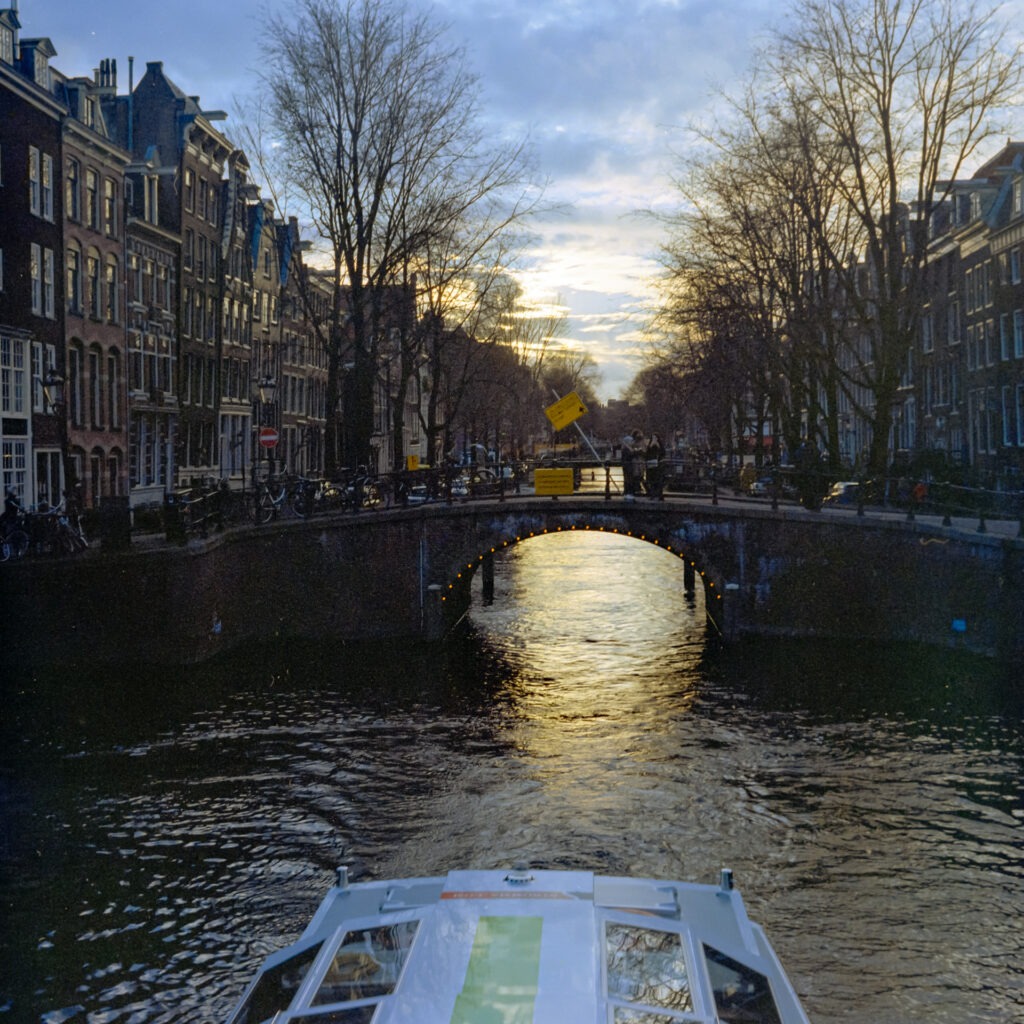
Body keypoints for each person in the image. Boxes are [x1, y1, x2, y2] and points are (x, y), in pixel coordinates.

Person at [644, 433, 665, 497]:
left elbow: (663, 453)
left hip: (658, 465)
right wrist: (651, 445)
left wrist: (658, 446)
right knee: (651, 480)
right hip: (651, 465)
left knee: (658, 480)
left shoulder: (660, 445)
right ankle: (652, 493)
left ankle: (658, 494)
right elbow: (647, 453)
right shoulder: (650, 446)